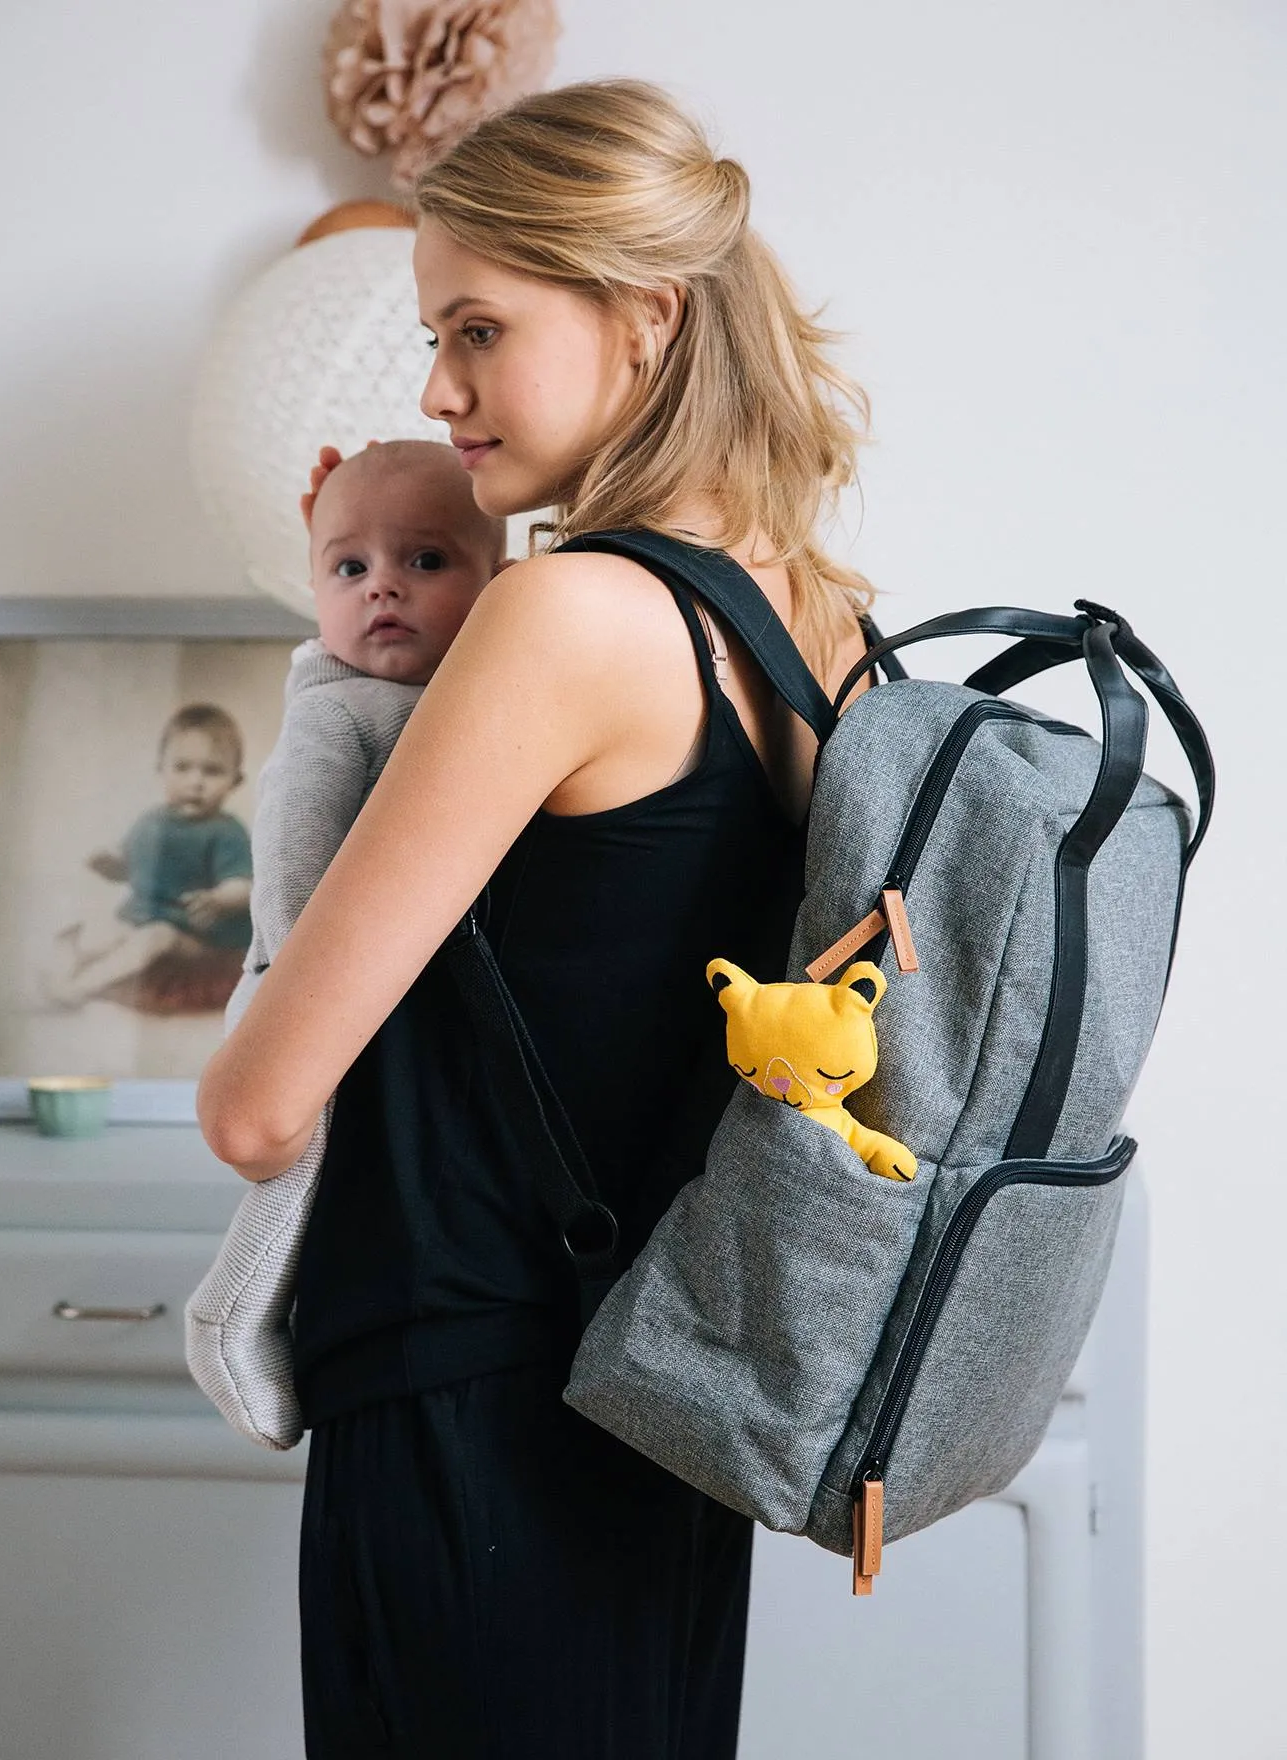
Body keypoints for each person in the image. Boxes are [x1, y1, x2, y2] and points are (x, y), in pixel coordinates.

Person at [197, 78, 875, 1760]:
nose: (439, 390)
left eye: (476, 328)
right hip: (669, 1393)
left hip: (465, 1395)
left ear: (644, 314)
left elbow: (257, 1107)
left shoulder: (562, 614)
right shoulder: (822, 617)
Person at [188, 437, 506, 1447]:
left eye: (426, 560)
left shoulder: (465, 701)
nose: (383, 591)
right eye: (349, 567)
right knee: (306, 1151)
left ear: (499, 575)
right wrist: (311, 1000)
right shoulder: (342, 710)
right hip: (303, 993)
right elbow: (292, 872)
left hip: (372, 994)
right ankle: (230, 1314)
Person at [50, 702, 252, 1009]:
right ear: (161, 769)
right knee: (104, 931)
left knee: (155, 937)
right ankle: (71, 963)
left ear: (234, 780)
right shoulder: (150, 822)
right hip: (143, 917)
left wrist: (220, 899)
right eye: (182, 768)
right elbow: (133, 868)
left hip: (198, 937)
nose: (195, 782)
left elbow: (244, 884)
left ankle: (81, 987)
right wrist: (113, 866)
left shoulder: (226, 831)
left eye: (212, 771)